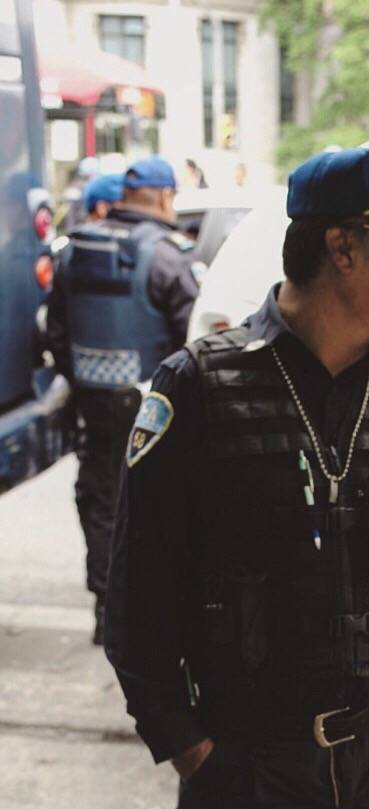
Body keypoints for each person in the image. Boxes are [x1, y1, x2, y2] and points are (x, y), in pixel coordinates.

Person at [104, 142, 369, 809]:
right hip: (249, 764)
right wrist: (194, 751)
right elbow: (135, 594)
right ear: (341, 248)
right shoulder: (200, 388)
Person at [46, 156, 200, 644]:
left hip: (94, 406)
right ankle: (148, 617)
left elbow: (55, 331)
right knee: (158, 508)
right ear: (162, 197)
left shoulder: (73, 250)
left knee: (99, 504)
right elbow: (193, 343)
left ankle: (106, 609)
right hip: (154, 409)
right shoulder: (168, 257)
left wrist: (86, 381)